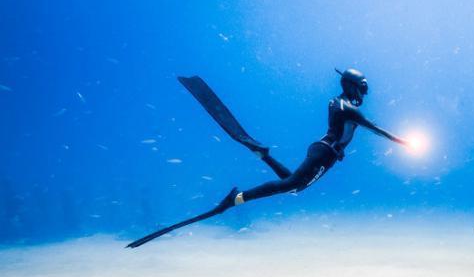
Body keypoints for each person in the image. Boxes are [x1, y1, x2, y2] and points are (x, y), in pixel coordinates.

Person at [127, 69, 408, 248]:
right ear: (353, 86)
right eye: (363, 89)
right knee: (293, 186)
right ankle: (236, 198)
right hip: (324, 151)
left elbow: (345, 127)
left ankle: (262, 155)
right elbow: (375, 129)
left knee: (293, 185)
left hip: (324, 151)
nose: (364, 94)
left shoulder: (338, 103)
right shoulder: (347, 107)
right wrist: (403, 142)